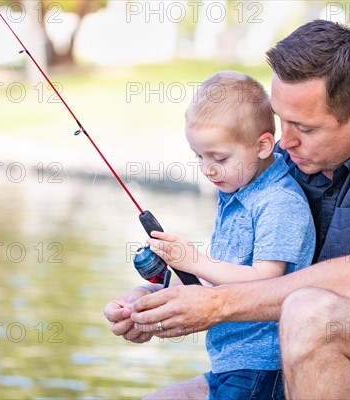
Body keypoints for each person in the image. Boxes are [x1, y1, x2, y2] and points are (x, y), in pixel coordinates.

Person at [105, 20, 350, 399]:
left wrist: (214, 306)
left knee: (310, 311)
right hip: (294, 364)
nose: (285, 142)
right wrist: (160, 303)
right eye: (282, 121)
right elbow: (252, 274)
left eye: (306, 128)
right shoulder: (293, 162)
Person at [120, 71, 315, 399]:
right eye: (199, 156)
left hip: (262, 365)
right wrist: (147, 303)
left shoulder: (278, 201)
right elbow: (218, 281)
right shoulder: (236, 192)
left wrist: (195, 261)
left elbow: (266, 280)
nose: (207, 169)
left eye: (219, 158)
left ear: (263, 145)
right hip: (229, 361)